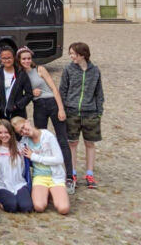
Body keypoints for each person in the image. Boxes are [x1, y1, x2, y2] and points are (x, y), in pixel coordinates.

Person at [16, 46, 73, 193]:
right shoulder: (20, 74)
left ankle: (69, 176)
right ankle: (42, 172)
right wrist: (31, 92)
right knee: (39, 140)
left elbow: (54, 88)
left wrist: (61, 108)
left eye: (29, 58)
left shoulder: (39, 69)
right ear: (19, 60)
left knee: (62, 139)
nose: (27, 61)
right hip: (38, 106)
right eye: (24, 59)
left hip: (52, 103)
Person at [59, 41, 104, 190]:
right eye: (70, 53)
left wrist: (99, 112)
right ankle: (72, 173)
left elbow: (99, 93)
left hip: (90, 113)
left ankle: (89, 174)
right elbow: (62, 91)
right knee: (72, 143)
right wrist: (64, 109)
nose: (71, 56)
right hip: (72, 112)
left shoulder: (95, 71)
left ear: (82, 55)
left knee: (90, 143)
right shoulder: (68, 70)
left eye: (73, 54)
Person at [11, 117, 70, 215]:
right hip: (40, 176)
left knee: (63, 209)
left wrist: (35, 157)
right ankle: (47, 193)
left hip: (55, 176)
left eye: (23, 127)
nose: (24, 131)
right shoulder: (24, 141)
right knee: (39, 207)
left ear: (27, 122)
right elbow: (12, 147)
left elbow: (59, 159)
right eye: (20, 132)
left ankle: (53, 193)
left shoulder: (47, 136)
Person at [0, 119, 33, 213]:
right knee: (11, 206)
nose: (3, 135)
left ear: (11, 132)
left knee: (26, 207)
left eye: (6, 132)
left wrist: (32, 154)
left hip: (19, 183)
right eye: (0, 132)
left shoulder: (21, 147)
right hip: (2, 185)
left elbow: (32, 161)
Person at [0, 45, 32, 122]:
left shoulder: (21, 73)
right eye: (4, 58)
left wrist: (17, 106)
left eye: (9, 57)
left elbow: (29, 94)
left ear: (14, 58)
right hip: (2, 114)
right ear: (1, 59)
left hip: (18, 114)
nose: (7, 60)